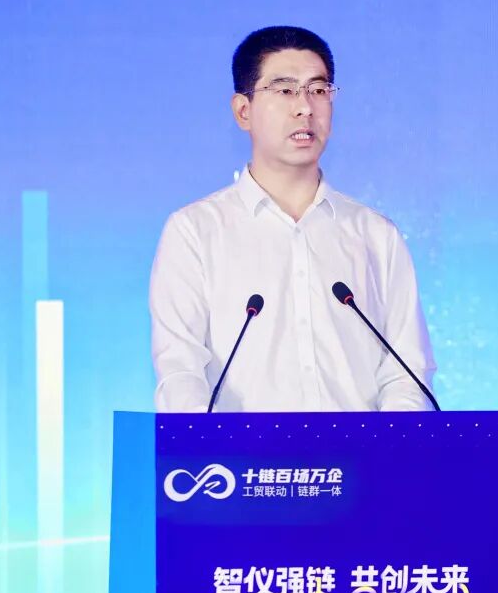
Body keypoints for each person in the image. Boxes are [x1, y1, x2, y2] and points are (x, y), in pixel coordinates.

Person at [149, 25, 436, 412]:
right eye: (284, 90)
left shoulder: (375, 235)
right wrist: (208, 442)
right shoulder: (195, 232)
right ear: (243, 111)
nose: (305, 108)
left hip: (362, 452)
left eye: (318, 90)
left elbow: (408, 373)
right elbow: (181, 371)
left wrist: (387, 445)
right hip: (242, 452)